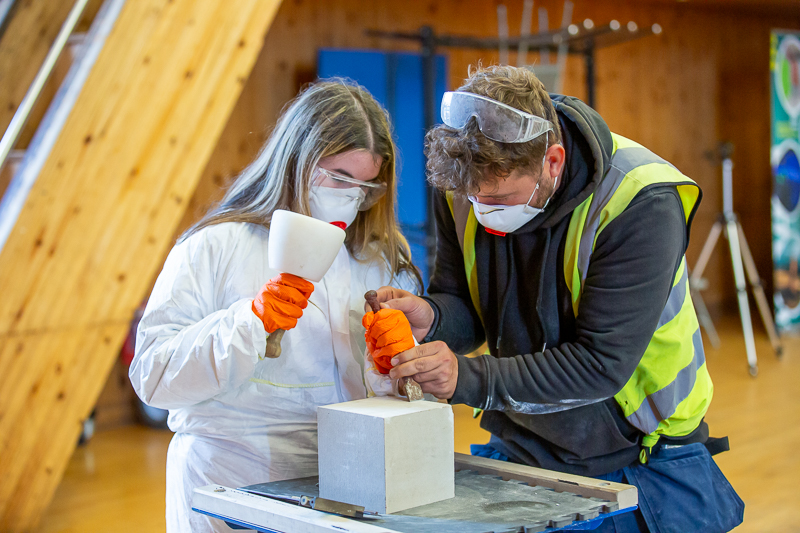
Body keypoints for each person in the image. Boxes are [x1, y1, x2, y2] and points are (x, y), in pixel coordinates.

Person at [369, 65, 744, 532]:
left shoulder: (640, 202)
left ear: (553, 160)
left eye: (502, 198)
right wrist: (433, 317)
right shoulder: (469, 185)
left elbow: (600, 364)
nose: (484, 212)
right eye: (474, 198)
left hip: (640, 449)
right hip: (527, 435)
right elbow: (466, 306)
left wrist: (463, 377)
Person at [129, 79, 421, 532]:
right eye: (339, 178)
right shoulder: (216, 246)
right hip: (230, 482)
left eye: (365, 187)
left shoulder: (377, 258)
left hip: (345, 487)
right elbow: (153, 376)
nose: (351, 197)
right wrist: (250, 322)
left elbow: (382, 399)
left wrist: (394, 369)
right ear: (296, 160)